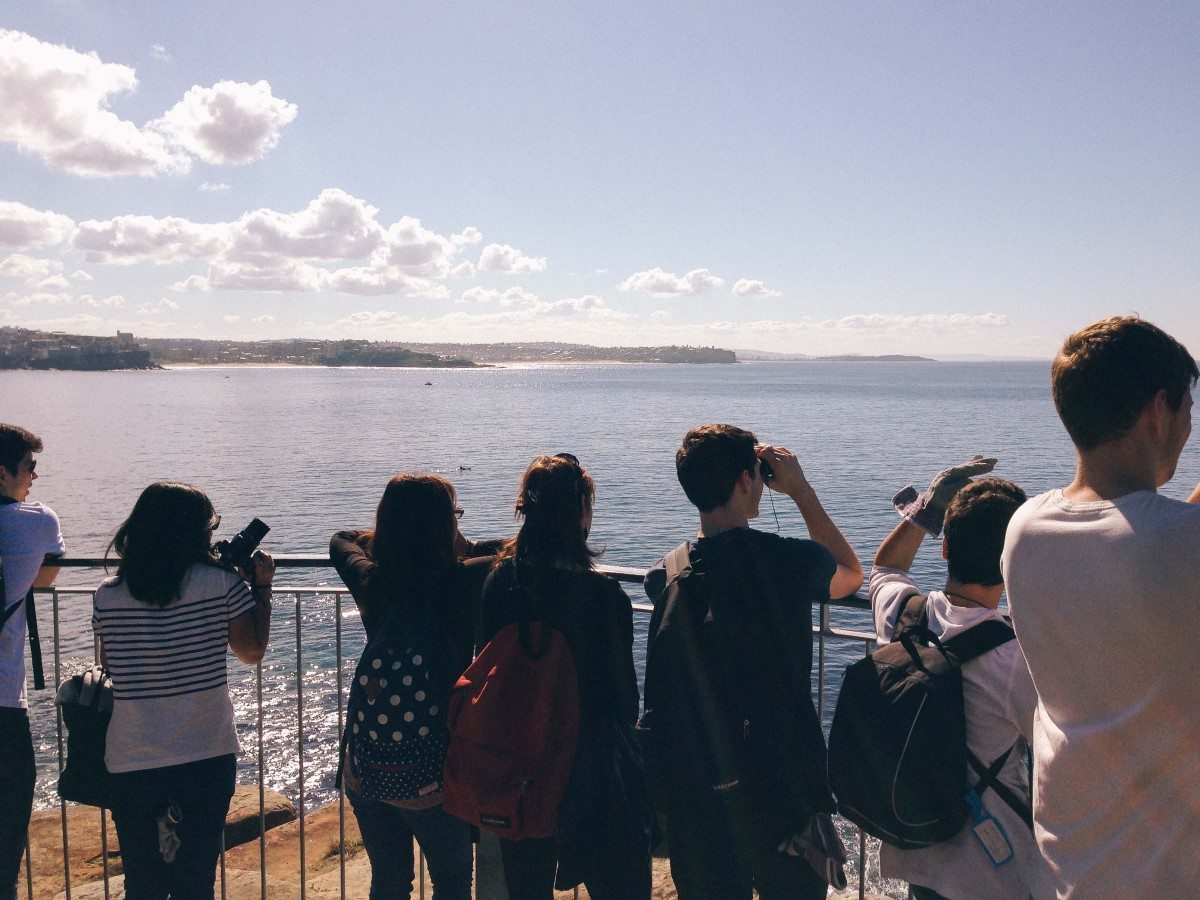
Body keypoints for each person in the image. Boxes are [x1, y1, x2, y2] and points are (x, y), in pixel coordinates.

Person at [1002, 316, 1200, 897]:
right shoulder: (1179, 543)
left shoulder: (1025, 527)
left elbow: (1142, 539)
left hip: (1071, 856)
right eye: (1188, 409)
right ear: (1158, 411)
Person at [644, 424, 863, 900]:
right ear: (746, 480)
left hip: (702, 790)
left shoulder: (666, 575)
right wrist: (801, 491)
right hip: (784, 790)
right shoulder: (790, 562)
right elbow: (851, 573)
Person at [871, 458, 1053, 899]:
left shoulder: (905, 616)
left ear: (945, 549)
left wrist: (928, 510)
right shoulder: (1021, 659)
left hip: (919, 848)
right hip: (994, 873)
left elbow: (886, 570)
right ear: (1012, 560)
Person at [477, 454, 647, 900]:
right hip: (591, 775)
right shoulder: (606, 599)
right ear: (581, 514)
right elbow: (625, 702)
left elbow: (486, 666)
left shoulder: (500, 583)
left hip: (520, 769)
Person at [92, 483, 273, 900]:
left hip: (132, 758)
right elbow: (251, 652)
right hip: (204, 753)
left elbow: (110, 665)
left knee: (143, 884)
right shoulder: (220, 583)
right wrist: (261, 589)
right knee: (196, 882)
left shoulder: (108, 594)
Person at [330, 474, 501, 900]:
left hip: (367, 767)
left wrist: (390, 534)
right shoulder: (462, 580)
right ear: (445, 525)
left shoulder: (371, 580)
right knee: (451, 883)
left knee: (389, 881)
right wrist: (465, 545)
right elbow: (512, 549)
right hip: (431, 774)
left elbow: (341, 540)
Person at [0, 424, 64, 900]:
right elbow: (45, 578)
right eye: (29, 467)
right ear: (2, 474)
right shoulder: (37, 521)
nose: (34, 477)